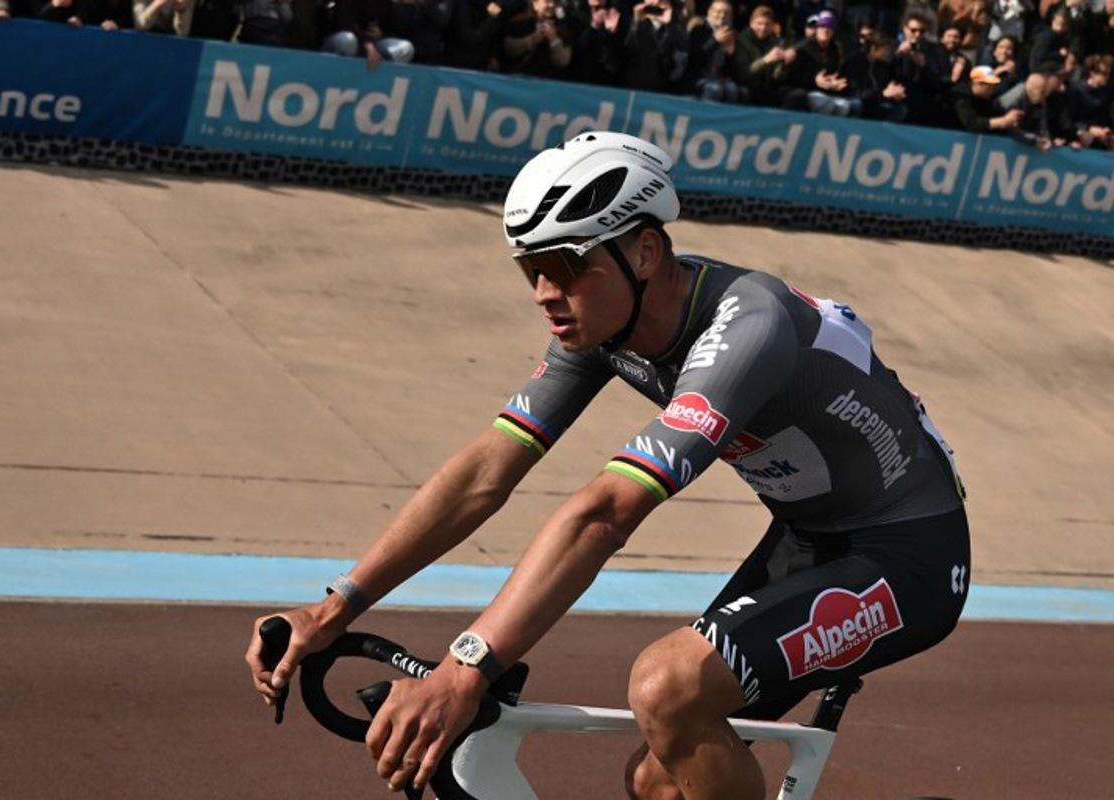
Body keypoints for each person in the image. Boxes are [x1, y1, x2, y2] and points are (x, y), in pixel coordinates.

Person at [245, 131, 971, 800]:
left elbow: (605, 513)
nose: (543, 293)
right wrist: (335, 607)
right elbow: (487, 469)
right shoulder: (600, 326)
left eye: (563, 266)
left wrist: (467, 667)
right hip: (812, 539)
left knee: (667, 687)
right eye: (530, 269)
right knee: (659, 783)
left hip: (910, 554)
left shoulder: (750, 324)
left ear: (646, 253)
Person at [952, 63, 1026, 130]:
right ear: (978, 84)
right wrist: (1003, 121)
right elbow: (972, 123)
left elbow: (991, 111)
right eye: (990, 85)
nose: (993, 88)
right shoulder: (962, 99)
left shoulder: (985, 95)